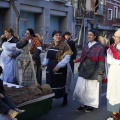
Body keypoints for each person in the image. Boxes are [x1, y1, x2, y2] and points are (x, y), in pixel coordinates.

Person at [73, 29, 105, 112]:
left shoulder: (100, 46)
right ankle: (83, 104)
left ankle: (90, 105)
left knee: (91, 89)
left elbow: (101, 60)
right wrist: (77, 62)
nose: (89, 36)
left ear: (95, 36)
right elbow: (82, 57)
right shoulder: (86, 45)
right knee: (82, 88)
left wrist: (100, 73)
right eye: (88, 34)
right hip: (84, 69)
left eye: (91, 35)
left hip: (94, 70)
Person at [42, 30, 72, 106]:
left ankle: (65, 99)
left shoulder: (65, 46)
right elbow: (47, 57)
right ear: (53, 37)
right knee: (50, 84)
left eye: (59, 35)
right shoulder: (50, 45)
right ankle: (50, 101)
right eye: (56, 35)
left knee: (62, 84)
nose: (58, 36)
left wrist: (59, 65)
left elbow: (67, 57)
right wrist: (43, 64)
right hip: (50, 68)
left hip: (62, 68)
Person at [106, 30, 120, 120]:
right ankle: (114, 114)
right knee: (114, 92)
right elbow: (109, 60)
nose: (114, 38)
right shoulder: (112, 48)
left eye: (115, 36)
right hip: (115, 73)